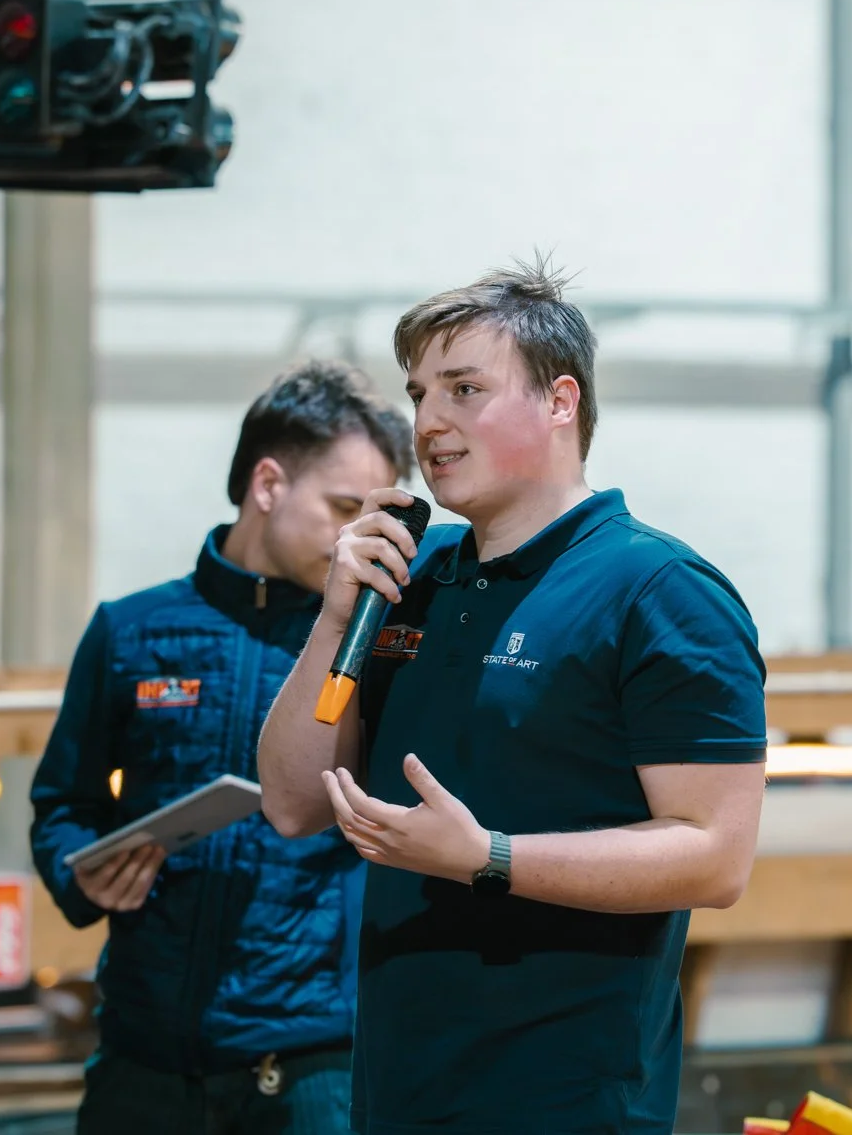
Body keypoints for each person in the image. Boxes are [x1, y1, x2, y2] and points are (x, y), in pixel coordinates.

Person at [258, 261, 769, 1135]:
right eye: (419, 394)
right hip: (398, 1091)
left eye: (464, 389)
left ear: (561, 401)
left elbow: (716, 857)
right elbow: (293, 802)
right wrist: (337, 610)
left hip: (565, 1100)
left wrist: (489, 857)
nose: (428, 421)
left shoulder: (660, 590)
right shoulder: (411, 578)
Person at [31, 359, 413, 1135]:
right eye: (344, 507)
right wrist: (83, 870)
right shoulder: (131, 630)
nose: (359, 538)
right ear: (268, 484)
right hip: (143, 1057)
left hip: (312, 1063)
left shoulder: (371, 644)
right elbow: (62, 803)